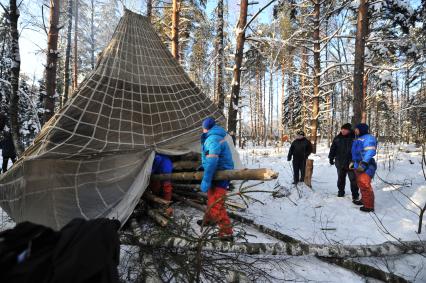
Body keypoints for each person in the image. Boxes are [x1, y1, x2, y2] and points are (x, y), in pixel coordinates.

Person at [198, 117, 234, 240]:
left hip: (221, 174)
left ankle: (226, 232)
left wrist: (206, 180)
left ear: (205, 128)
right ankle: (209, 219)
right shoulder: (214, 136)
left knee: (216, 204)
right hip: (217, 172)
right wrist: (203, 166)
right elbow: (210, 157)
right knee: (211, 199)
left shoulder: (212, 139)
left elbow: (212, 160)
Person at [328, 123, 359, 200]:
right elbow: (333, 149)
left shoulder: (354, 137)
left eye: (344, 129)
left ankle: (355, 194)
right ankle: (341, 191)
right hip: (340, 162)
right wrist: (331, 158)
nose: (342, 131)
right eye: (342, 129)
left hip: (351, 162)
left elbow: (359, 149)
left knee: (353, 179)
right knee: (341, 178)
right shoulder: (337, 138)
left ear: (349, 130)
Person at [351, 123, 377, 212]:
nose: (355, 130)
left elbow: (370, 151)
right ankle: (364, 200)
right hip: (357, 164)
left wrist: (364, 163)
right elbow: (356, 153)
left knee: (365, 185)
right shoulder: (358, 139)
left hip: (366, 165)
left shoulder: (369, 138)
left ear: (361, 129)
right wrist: (353, 162)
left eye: (357, 129)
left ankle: (369, 206)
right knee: (361, 184)